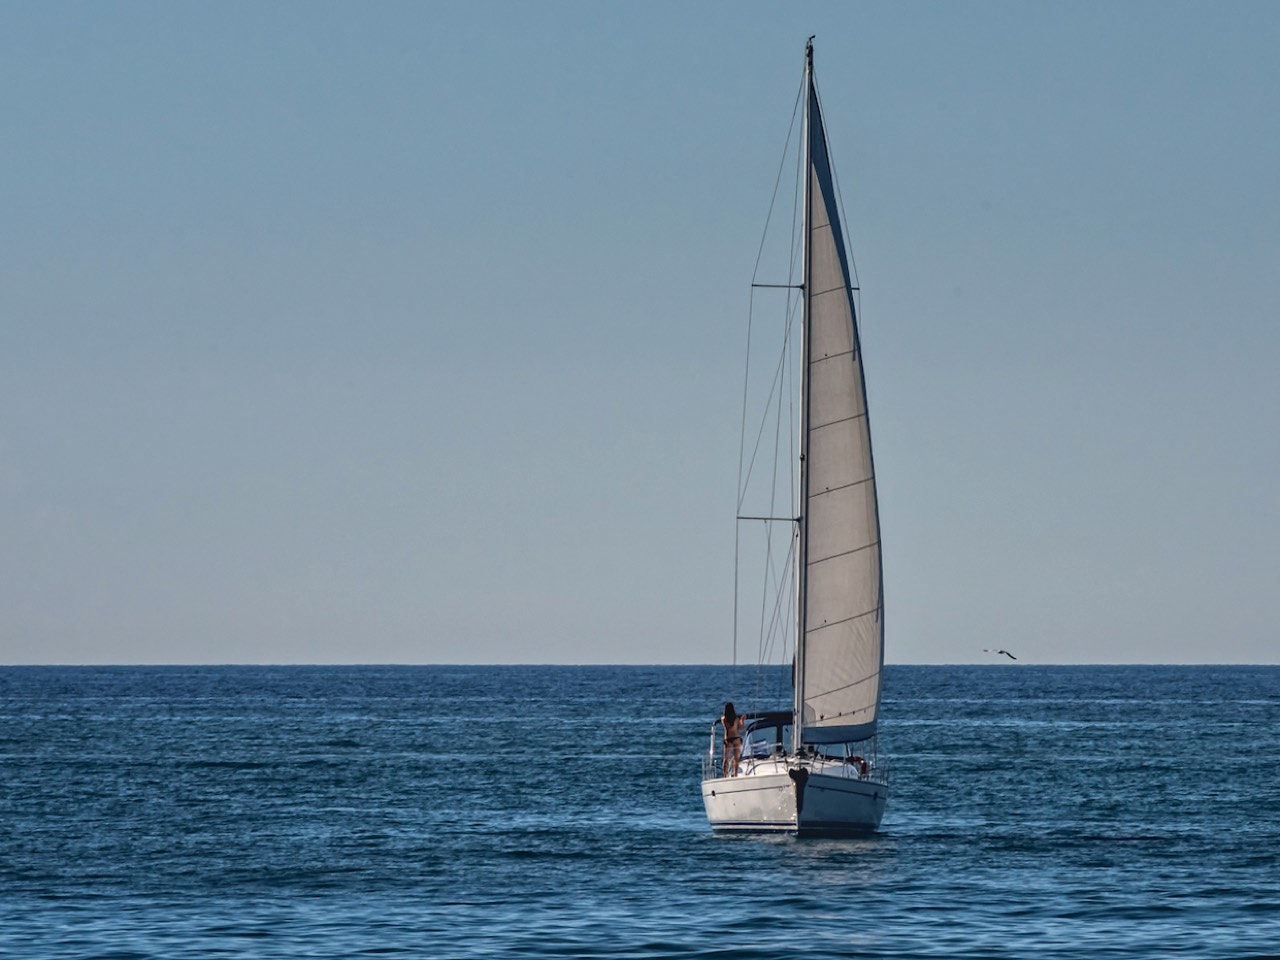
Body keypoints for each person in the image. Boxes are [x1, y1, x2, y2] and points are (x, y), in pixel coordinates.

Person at [719, 701, 745, 777]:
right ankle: (736, 774)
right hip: (736, 738)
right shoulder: (736, 719)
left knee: (726, 758)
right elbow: (741, 728)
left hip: (727, 739)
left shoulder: (723, 719)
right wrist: (742, 720)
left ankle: (725, 775)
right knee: (736, 758)